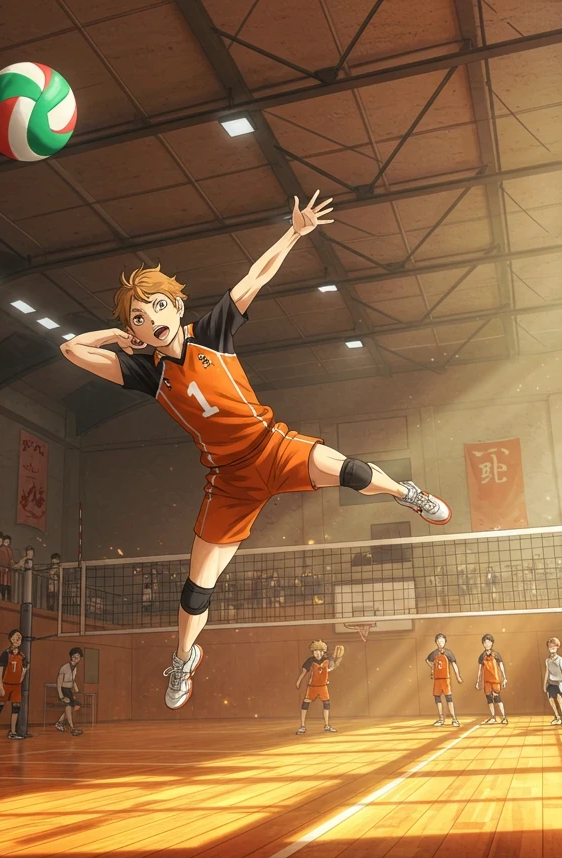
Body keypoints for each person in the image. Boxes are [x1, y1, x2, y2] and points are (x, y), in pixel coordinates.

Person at [58, 194, 451, 711]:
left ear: (174, 306)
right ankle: (182, 658)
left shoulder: (213, 332)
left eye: (156, 305)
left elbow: (256, 275)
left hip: (272, 446)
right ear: (135, 331)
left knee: (349, 469)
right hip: (229, 481)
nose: (150, 317)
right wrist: (113, 333)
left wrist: (294, 233)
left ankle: (408, 494)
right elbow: (70, 349)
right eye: (138, 316)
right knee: (197, 586)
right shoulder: (145, 373)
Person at [0, 629, 28, 742]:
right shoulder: (6, 653)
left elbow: (24, 669)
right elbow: (0, 671)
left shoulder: (22, 655)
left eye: (20, 638)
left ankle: (13, 732)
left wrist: (22, 676)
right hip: (6, 685)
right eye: (16, 637)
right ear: (11, 639)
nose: (18, 639)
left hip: (16, 686)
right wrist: (1, 687)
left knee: (16, 708)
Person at [295, 639, 342, 735]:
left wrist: (337, 661)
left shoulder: (328, 660)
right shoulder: (310, 661)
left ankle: (327, 725)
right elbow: (304, 672)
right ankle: (302, 726)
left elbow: (330, 668)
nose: (317, 653)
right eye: (315, 651)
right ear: (313, 652)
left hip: (323, 686)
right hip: (312, 686)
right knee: (305, 704)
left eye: (319, 651)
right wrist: (298, 681)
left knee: (326, 704)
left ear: (323, 651)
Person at [425, 633, 462, 727]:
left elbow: (454, 664)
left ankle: (454, 719)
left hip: (446, 679)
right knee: (437, 698)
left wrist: (458, 676)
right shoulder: (434, 653)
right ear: (436, 642)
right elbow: (427, 660)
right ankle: (441, 719)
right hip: (437, 680)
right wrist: (432, 667)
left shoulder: (448, 653)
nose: (441, 642)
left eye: (442, 641)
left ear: (445, 642)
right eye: (439, 641)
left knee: (449, 698)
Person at [475, 634, 508, 725]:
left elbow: (501, 666)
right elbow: (479, 669)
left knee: (497, 698)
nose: (487, 644)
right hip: (486, 681)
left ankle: (504, 717)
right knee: (489, 699)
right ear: (483, 644)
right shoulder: (482, 656)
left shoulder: (496, 654)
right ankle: (493, 717)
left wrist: (504, 678)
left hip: (495, 680)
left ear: (492, 643)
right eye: (485, 642)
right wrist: (478, 681)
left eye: (489, 642)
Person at [54, 647, 84, 736]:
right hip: (63, 690)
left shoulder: (75, 668)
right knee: (68, 706)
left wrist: (76, 689)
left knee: (76, 705)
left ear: (80, 658)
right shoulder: (65, 667)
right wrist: (61, 696)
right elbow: (59, 683)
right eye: (74, 656)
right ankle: (72, 728)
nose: (75, 659)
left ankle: (59, 722)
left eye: (78, 657)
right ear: (71, 657)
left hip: (69, 690)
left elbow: (73, 680)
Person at [544, 637, 562, 725]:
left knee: (560, 699)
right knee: (551, 699)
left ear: (557, 647)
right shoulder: (547, 660)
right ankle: (557, 717)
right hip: (551, 683)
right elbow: (547, 672)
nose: (552, 648)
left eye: (554, 646)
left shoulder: (560, 659)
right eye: (550, 647)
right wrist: (544, 684)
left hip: (559, 682)